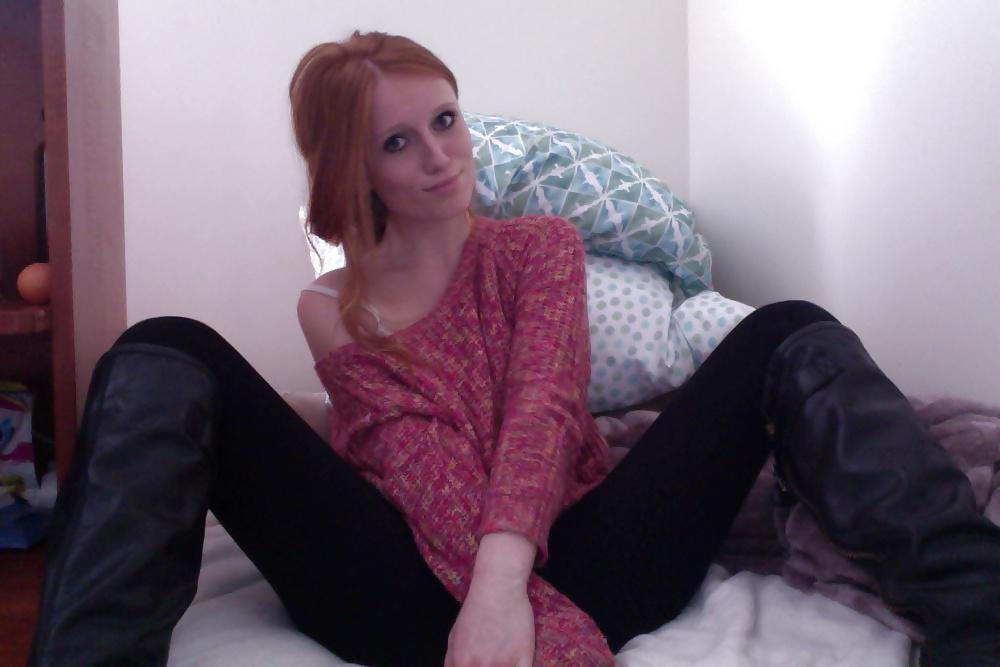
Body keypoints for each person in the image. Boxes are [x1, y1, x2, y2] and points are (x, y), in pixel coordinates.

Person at [29, 30, 1000, 667]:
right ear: (353, 168)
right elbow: (417, 463)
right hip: (396, 587)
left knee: (784, 327)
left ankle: (981, 617)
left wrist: (507, 595)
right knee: (166, 348)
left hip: (587, 553)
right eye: (397, 142)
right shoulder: (327, 305)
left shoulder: (540, 247)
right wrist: (493, 613)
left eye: (444, 120)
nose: (440, 155)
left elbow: (541, 409)